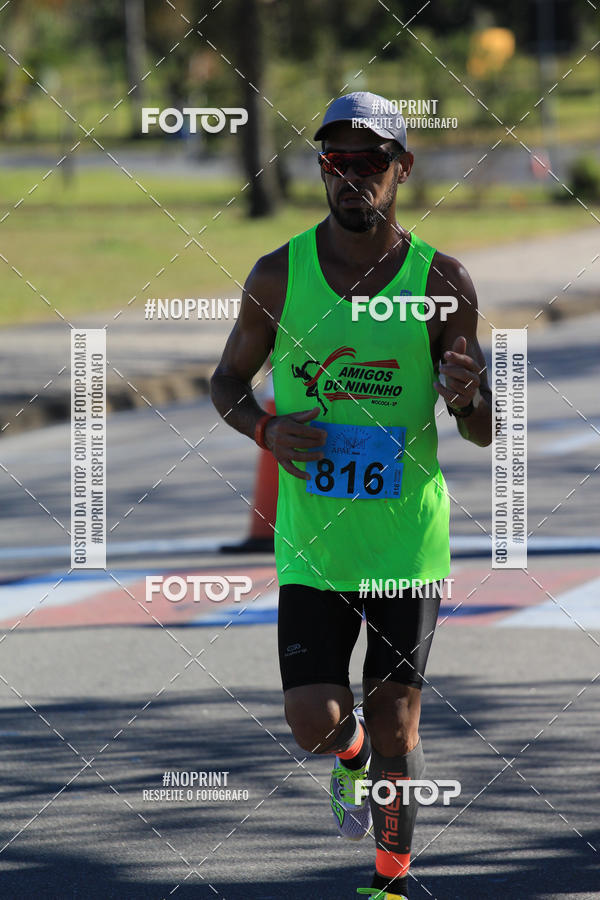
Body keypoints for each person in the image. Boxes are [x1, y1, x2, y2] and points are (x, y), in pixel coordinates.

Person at [211, 91, 492, 900]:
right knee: (313, 722)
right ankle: (349, 756)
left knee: (399, 719)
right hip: (313, 543)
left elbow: (479, 430)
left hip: (406, 541)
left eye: (370, 161)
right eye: (336, 160)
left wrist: (470, 398)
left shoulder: (442, 280)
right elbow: (226, 379)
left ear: (402, 170)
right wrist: (264, 430)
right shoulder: (279, 273)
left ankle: (391, 883)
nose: (351, 177)